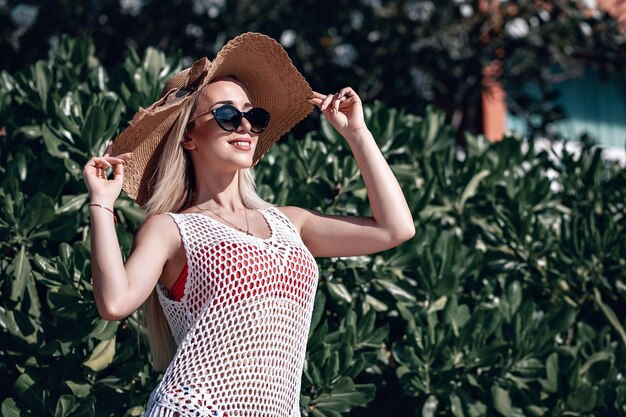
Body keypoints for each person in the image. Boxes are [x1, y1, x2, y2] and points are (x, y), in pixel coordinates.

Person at [83, 32, 414, 417]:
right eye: (226, 114)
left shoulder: (291, 222)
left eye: (253, 115)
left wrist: (357, 134)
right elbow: (113, 303)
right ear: (188, 136)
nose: (244, 125)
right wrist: (101, 204)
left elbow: (395, 229)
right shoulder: (171, 229)